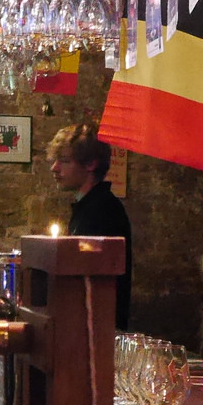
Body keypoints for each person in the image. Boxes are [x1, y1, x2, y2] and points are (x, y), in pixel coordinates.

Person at [48, 122, 132, 328]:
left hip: (96, 332)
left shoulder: (102, 210)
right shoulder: (89, 206)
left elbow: (92, 286)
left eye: (65, 161)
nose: (54, 168)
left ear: (91, 164)